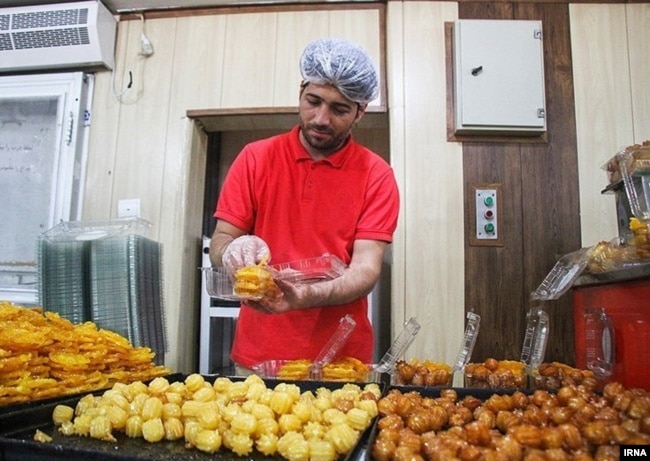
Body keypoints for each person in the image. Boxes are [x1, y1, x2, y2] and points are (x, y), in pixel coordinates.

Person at [209, 37, 400, 372]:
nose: (321, 119)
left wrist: (308, 296)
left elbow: (366, 270)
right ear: (301, 91)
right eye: (314, 101)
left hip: (340, 361)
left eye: (339, 109)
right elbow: (221, 240)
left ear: (360, 112)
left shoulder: (376, 175)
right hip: (259, 356)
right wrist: (232, 250)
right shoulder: (256, 158)